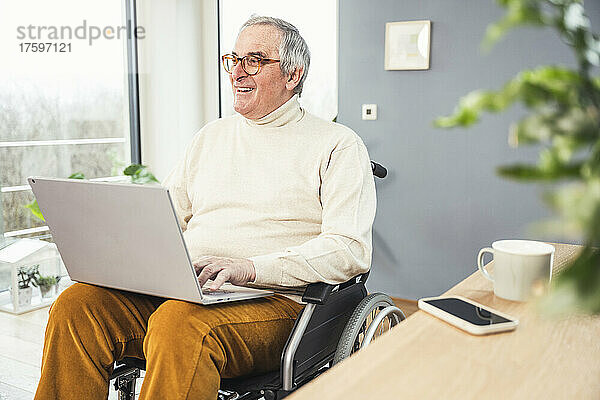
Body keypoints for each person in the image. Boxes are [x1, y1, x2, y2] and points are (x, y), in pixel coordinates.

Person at [34, 15, 376, 400]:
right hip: (191, 290)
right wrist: (111, 248)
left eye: (255, 60)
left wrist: (250, 267)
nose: (237, 73)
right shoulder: (210, 137)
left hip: (277, 303)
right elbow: (163, 218)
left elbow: (350, 249)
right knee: (77, 305)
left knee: (179, 323)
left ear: (293, 75)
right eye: (234, 59)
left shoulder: (337, 145)